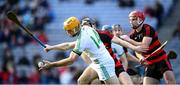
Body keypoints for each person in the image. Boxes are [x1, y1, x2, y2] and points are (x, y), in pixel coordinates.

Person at [43, 17, 147, 84]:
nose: (68, 33)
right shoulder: (87, 29)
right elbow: (68, 45)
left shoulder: (82, 40)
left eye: (69, 30)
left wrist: (51, 65)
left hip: (104, 65)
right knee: (82, 81)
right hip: (98, 63)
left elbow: (71, 60)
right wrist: (51, 47)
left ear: (76, 28)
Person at [122, 10, 176, 84]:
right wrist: (140, 57)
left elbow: (144, 46)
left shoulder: (148, 29)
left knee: (169, 80)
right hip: (150, 64)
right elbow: (137, 50)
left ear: (140, 19)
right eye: (130, 19)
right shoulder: (132, 35)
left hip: (161, 59)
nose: (131, 21)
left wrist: (129, 40)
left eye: (133, 19)